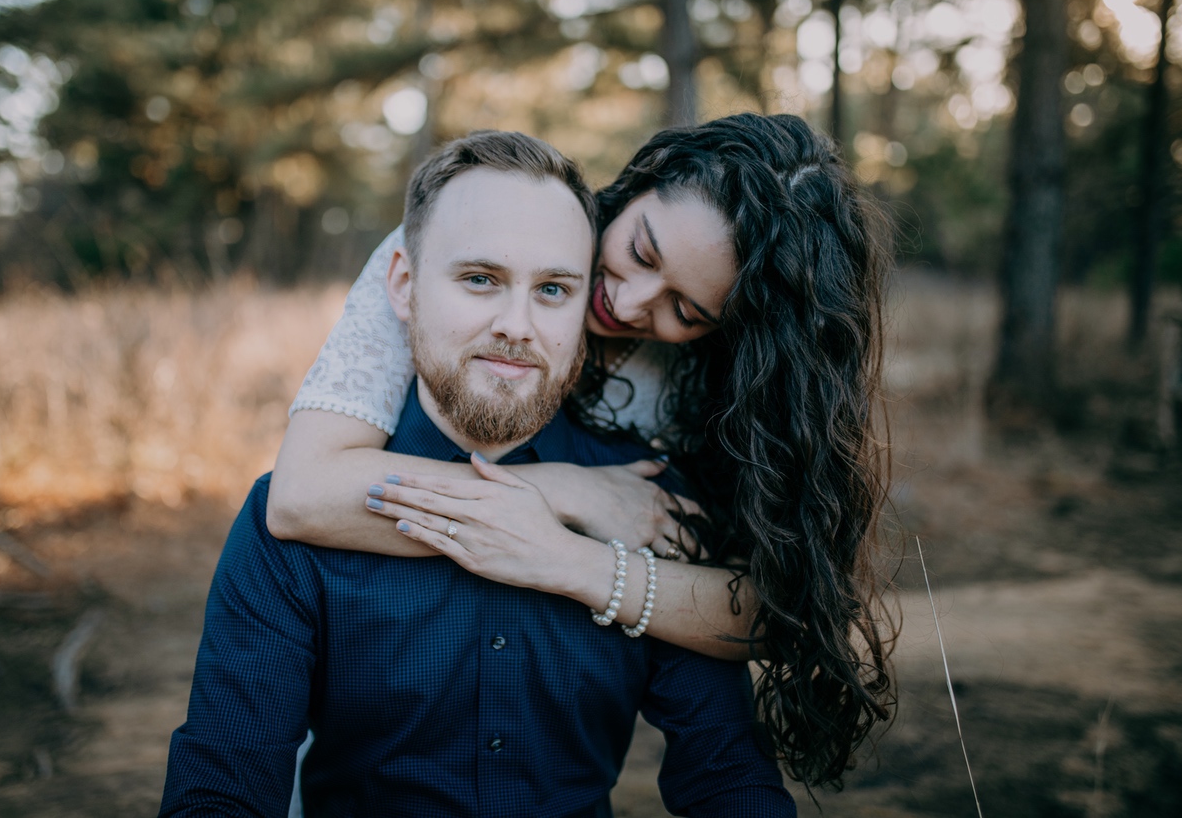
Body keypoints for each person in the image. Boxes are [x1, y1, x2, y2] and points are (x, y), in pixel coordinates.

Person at [160, 131, 796, 817]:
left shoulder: (651, 508)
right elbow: (220, 788)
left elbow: (731, 766)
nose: (516, 324)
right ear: (403, 284)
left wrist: (576, 558)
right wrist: (548, 493)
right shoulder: (301, 515)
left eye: (553, 289)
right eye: (479, 280)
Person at [269, 113, 895, 787]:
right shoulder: (465, 243)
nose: (629, 302)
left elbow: (780, 611)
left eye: (685, 312)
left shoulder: (724, 383)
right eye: (642, 250)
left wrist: (576, 561)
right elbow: (303, 495)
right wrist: (566, 490)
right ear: (636, 184)